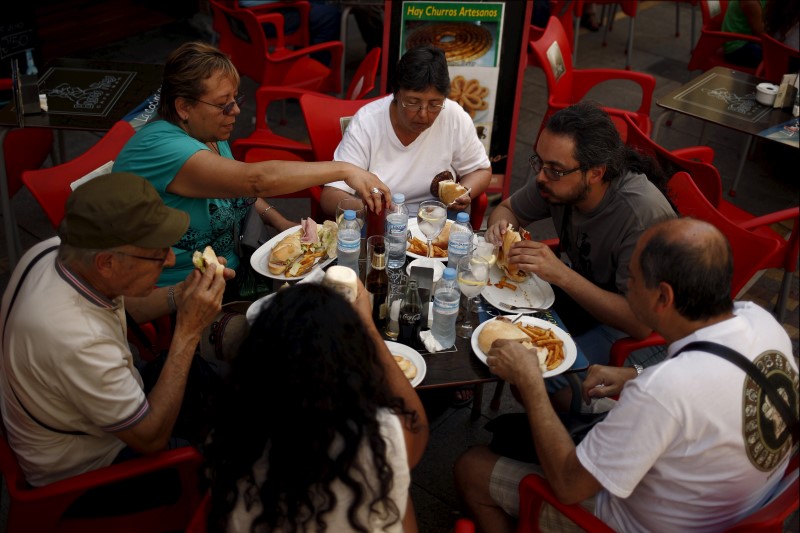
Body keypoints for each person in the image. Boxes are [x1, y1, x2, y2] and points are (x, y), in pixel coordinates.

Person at [454, 217, 798, 532]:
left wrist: (531, 385)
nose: (626, 288)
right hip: (732, 501)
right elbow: (712, 382)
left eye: (631, 280)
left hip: (625, 522)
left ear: (663, 296)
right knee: (568, 402)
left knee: (472, 468)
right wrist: (635, 374)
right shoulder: (761, 321)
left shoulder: (661, 394)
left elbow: (569, 486)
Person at [0, 172, 230, 487]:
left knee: (225, 382)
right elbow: (150, 439)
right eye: (157, 252)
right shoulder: (77, 339)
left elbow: (125, 307)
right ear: (107, 263)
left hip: (96, 407)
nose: (170, 259)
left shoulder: (58, 251)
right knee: (228, 466)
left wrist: (181, 294)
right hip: (89, 469)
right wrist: (189, 331)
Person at [112, 41, 389, 294]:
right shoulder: (163, 147)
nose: (235, 111)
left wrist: (279, 222)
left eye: (235, 99)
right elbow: (254, 180)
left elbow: (238, 189)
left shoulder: (206, 132)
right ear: (184, 107)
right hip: (184, 291)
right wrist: (344, 169)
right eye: (223, 104)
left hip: (234, 271)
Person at [203, 282, 429, 532]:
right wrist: (367, 326)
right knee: (399, 493)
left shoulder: (228, 443)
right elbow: (416, 423)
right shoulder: (378, 443)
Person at [486, 102, 675, 388]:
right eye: (539, 162)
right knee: (489, 315)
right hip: (583, 293)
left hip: (638, 332)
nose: (540, 177)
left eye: (555, 170)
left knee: (540, 376)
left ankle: (580, 421)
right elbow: (507, 209)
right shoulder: (555, 183)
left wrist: (561, 274)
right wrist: (501, 229)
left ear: (596, 173)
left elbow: (640, 323)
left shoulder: (641, 216)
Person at [319, 44, 491, 218]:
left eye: (434, 104)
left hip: (435, 220)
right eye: (413, 102)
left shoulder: (453, 116)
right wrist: (366, 208)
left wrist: (464, 192)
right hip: (379, 223)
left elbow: (480, 170)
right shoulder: (367, 122)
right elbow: (331, 195)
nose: (423, 114)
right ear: (396, 93)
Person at [721, 0, 766, 69]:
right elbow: (760, 33)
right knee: (778, 57)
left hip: (750, 38)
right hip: (737, 47)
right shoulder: (750, 2)